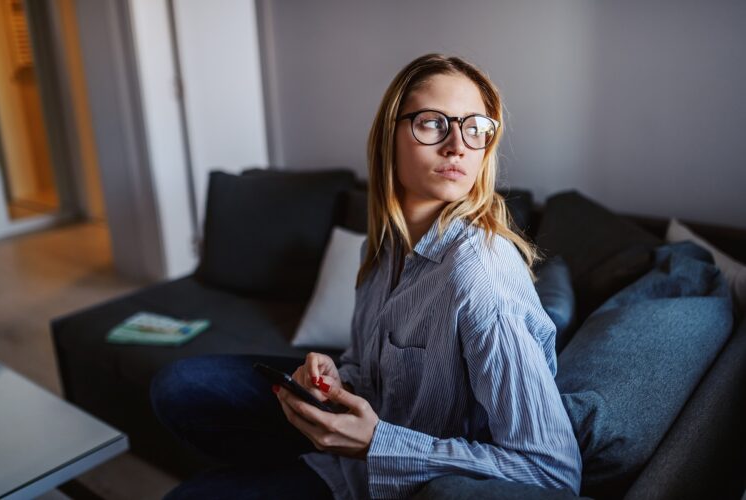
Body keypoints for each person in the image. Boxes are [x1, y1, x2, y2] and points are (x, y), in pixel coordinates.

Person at [151, 53, 582, 500]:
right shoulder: (380, 249)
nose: (458, 145)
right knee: (180, 385)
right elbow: (367, 367)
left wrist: (379, 445)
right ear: (388, 137)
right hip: (343, 445)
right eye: (434, 123)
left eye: (475, 128)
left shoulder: (480, 277)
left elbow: (553, 471)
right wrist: (336, 378)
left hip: (393, 482)